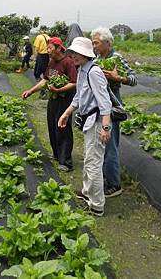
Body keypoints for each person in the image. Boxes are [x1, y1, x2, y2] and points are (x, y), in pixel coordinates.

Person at [58, 37, 111, 216]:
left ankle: (97, 205)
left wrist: (105, 128)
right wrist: (66, 113)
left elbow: (105, 103)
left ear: (86, 54)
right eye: (72, 53)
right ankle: (87, 192)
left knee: (94, 163)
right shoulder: (82, 70)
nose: (73, 56)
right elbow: (79, 97)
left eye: (77, 53)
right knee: (89, 159)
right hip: (89, 121)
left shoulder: (94, 72)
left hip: (97, 123)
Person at [91, 27, 138, 198]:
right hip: (98, 102)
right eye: (93, 43)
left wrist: (118, 78)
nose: (93, 45)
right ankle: (105, 175)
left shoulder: (116, 58)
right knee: (101, 142)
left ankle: (114, 184)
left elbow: (134, 79)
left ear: (107, 43)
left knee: (110, 144)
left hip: (111, 102)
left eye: (96, 43)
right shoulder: (97, 58)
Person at [22, 37, 77, 171]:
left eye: (50, 48)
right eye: (47, 48)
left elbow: (74, 83)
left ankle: (66, 161)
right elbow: (45, 80)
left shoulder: (68, 63)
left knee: (63, 128)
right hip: (53, 99)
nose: (48, 50)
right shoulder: (52, 62)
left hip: (65, 100)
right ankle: (57, 155)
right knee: (52, 125)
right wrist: (30, 91)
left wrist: (59, 89)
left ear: (58, 48)